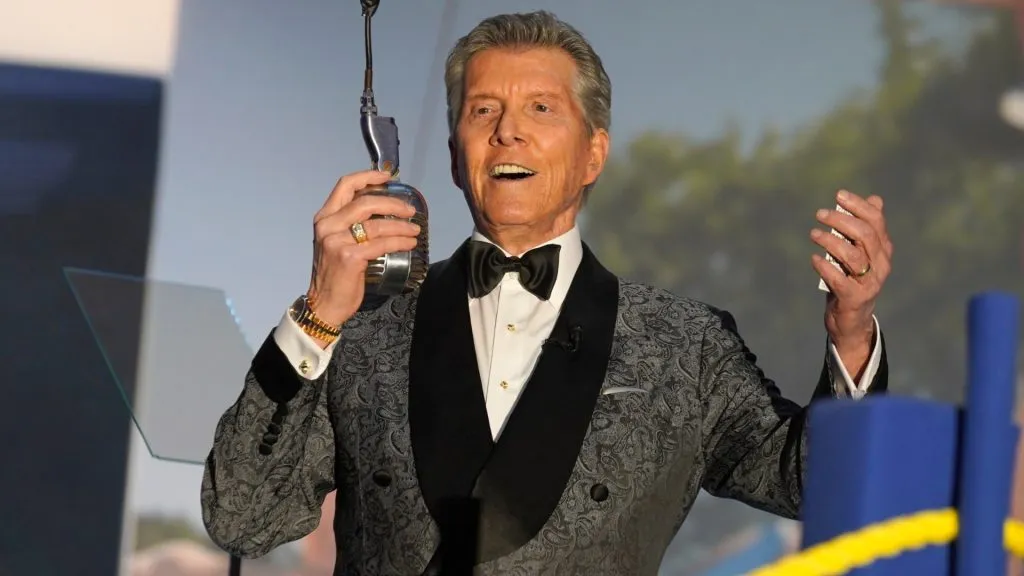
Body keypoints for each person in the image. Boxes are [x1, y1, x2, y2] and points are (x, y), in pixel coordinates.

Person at [200, 11, 892, 576]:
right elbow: (243, 518)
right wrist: (317, 314)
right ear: (452, 151)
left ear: (594, 151)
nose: (509, 130)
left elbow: (816, 485)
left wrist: (852, 334)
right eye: (483, 109)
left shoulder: (686, 344)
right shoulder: (360, 332)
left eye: (540, 107)